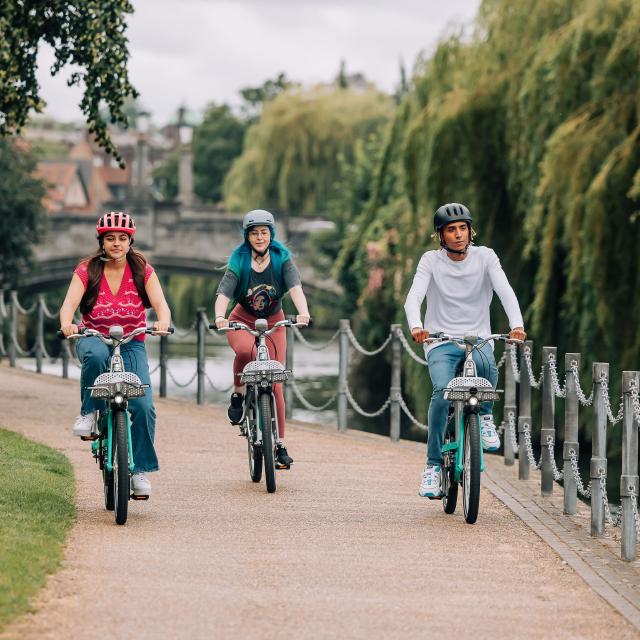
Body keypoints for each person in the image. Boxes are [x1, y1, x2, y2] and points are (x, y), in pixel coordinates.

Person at [404, 203, 526, 498]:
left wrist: (517, 324)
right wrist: (417, 326)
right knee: (442, 390)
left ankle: (484, 416)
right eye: (451, 230)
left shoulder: (486, 257)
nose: (458, 235)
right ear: (440, 236)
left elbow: (504, 290)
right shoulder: (430, 261)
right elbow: (414, 296)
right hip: (441, 340)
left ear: (470, 230)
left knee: (487, 370)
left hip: (478, 338)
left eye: (462, 228)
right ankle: (433, 467)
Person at [59, 211, 171, 498]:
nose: (117, 244)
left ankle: (140, 470)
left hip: (132, 341)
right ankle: (88, 412)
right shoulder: (87, 270)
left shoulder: (142, 270)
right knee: (95, 357)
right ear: (102, 241)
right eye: (111, 239)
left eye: (122, 238)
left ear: (130, 241)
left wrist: (162, 320)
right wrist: (67, 324)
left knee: (144, 406)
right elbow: (69, 304)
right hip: (94, 336)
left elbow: (160, 303)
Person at [214, 209, 311, 469]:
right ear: (247, 236)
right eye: (254, 233)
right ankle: (237, 395)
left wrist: (303, 312)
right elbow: (225, 291)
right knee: (246, 353)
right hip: (242, 319)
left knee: (276, 382)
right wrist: (220, 316)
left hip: (274, 321)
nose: (259, 237)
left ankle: (280, 444)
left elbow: (295, 288)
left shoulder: (282, 259)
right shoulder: (240, 259)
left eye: (264, 232)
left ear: (271, 235)